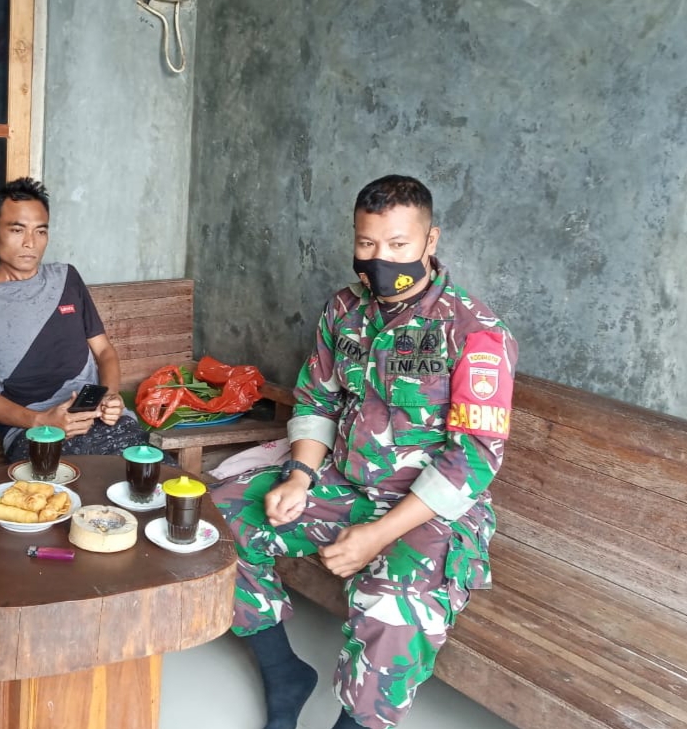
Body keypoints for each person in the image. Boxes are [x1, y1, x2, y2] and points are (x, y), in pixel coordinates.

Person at [213, 175, 517, 729]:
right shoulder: (345, 309)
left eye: (399, 245)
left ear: (430, 241)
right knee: (220, 519)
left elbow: (473, 459)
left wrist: (377, 536)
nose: (382, 260)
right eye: (367, 244)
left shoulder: (473, 331)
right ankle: (283, 674)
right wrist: (299, 476)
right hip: (344, 485)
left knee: (393, 607)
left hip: (433, 512)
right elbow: (317, 400)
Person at [0, 177, 149, 461]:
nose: (30, 243)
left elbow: (104, 351)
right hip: (34, 430)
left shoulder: (66, 278)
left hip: (100, 420)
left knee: (153, 477)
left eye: (40, 231)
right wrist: (41, 420)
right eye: (17, 230)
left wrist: (110, 397)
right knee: (65, 487)